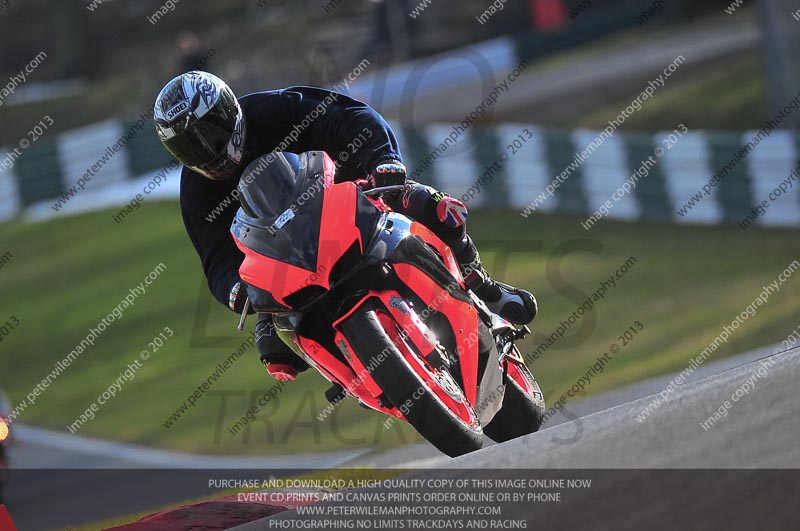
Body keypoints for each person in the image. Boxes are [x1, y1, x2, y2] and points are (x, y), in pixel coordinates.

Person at [154, 71, 537, 382]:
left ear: (227, 113)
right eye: (189, 148)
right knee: (272, 347)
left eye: (209, 134)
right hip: (287, 258)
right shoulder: (197, 190)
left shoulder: (276, 109)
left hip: (351, 194)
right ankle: (350, 373)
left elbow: (350, 117)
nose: (205, 151)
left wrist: (381, 160)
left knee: (436, 209)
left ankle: (483, 285)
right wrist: (235, 291)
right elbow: (215, 258)